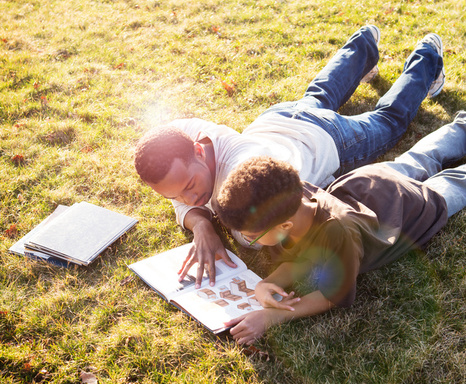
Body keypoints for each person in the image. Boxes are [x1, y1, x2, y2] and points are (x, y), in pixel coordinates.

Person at [134, 26, 445, 287]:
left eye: (189, 186)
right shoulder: (187, 135)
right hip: (279, 119)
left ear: (199, 151)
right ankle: (364, 42)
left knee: (389, 121)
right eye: (175, 196)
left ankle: (428, 57)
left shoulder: (242, 181)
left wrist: (205, 222)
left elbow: (252, 235)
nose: (188, 200)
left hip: (326, 140)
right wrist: (201, 224)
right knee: (318, 94)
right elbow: (181, 193)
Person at [214, 111, 466, 345]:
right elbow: (302, 259)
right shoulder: (290, 197)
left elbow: (330, 296)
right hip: (375, 181)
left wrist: (271, 317)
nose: (250, 241)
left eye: (251, 236)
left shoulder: (338, 231)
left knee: (454, 181)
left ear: (285, 225)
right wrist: (264, 284)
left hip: (415, 208)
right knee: (420, 157)